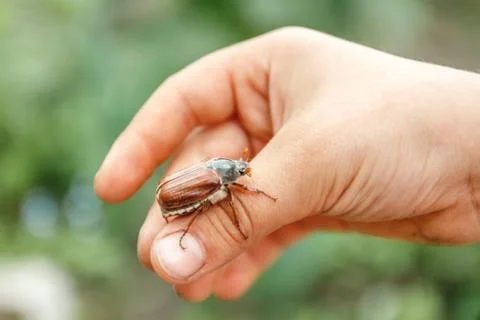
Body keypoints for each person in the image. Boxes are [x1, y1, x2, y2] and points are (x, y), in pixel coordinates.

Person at [94, 27, 480, 301]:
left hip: (176, 192)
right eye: (242, 170)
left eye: (242, 169)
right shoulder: (219, 178)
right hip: (179, 198)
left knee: (227, 210)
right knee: (216, 210)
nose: (245, 170)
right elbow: (221, 194)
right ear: (230, 170)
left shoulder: (224, 169)